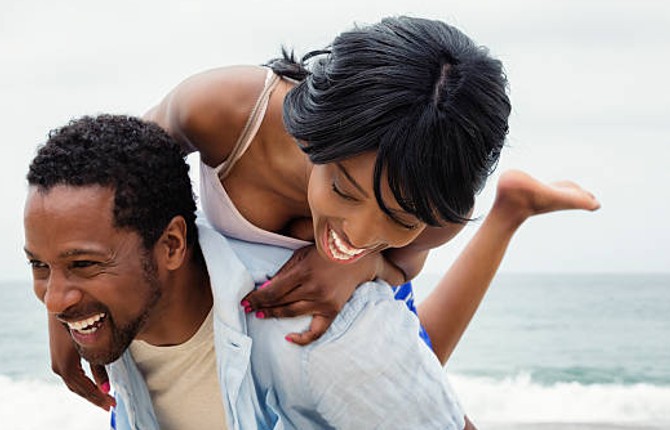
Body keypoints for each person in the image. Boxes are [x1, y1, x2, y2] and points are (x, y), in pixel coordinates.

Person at [48, 16, 601, 410]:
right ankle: (517, 204)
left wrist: (363, 268)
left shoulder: (439, 204)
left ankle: (508, 210)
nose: (360, 233)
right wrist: (67, 311)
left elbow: (402, 268)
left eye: (398, 218)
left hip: (343, 296)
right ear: (315, 135)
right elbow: (100, 186)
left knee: (398, 370)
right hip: (224, 298)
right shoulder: (224, 112)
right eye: (343, 189)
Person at [24, 115, 472, 429]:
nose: (55, 298)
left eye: (83, 265)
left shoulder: (327, 337)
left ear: (172, 245)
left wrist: (368, 260)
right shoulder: (120, 321)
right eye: (40, 266)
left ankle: (507, 213)